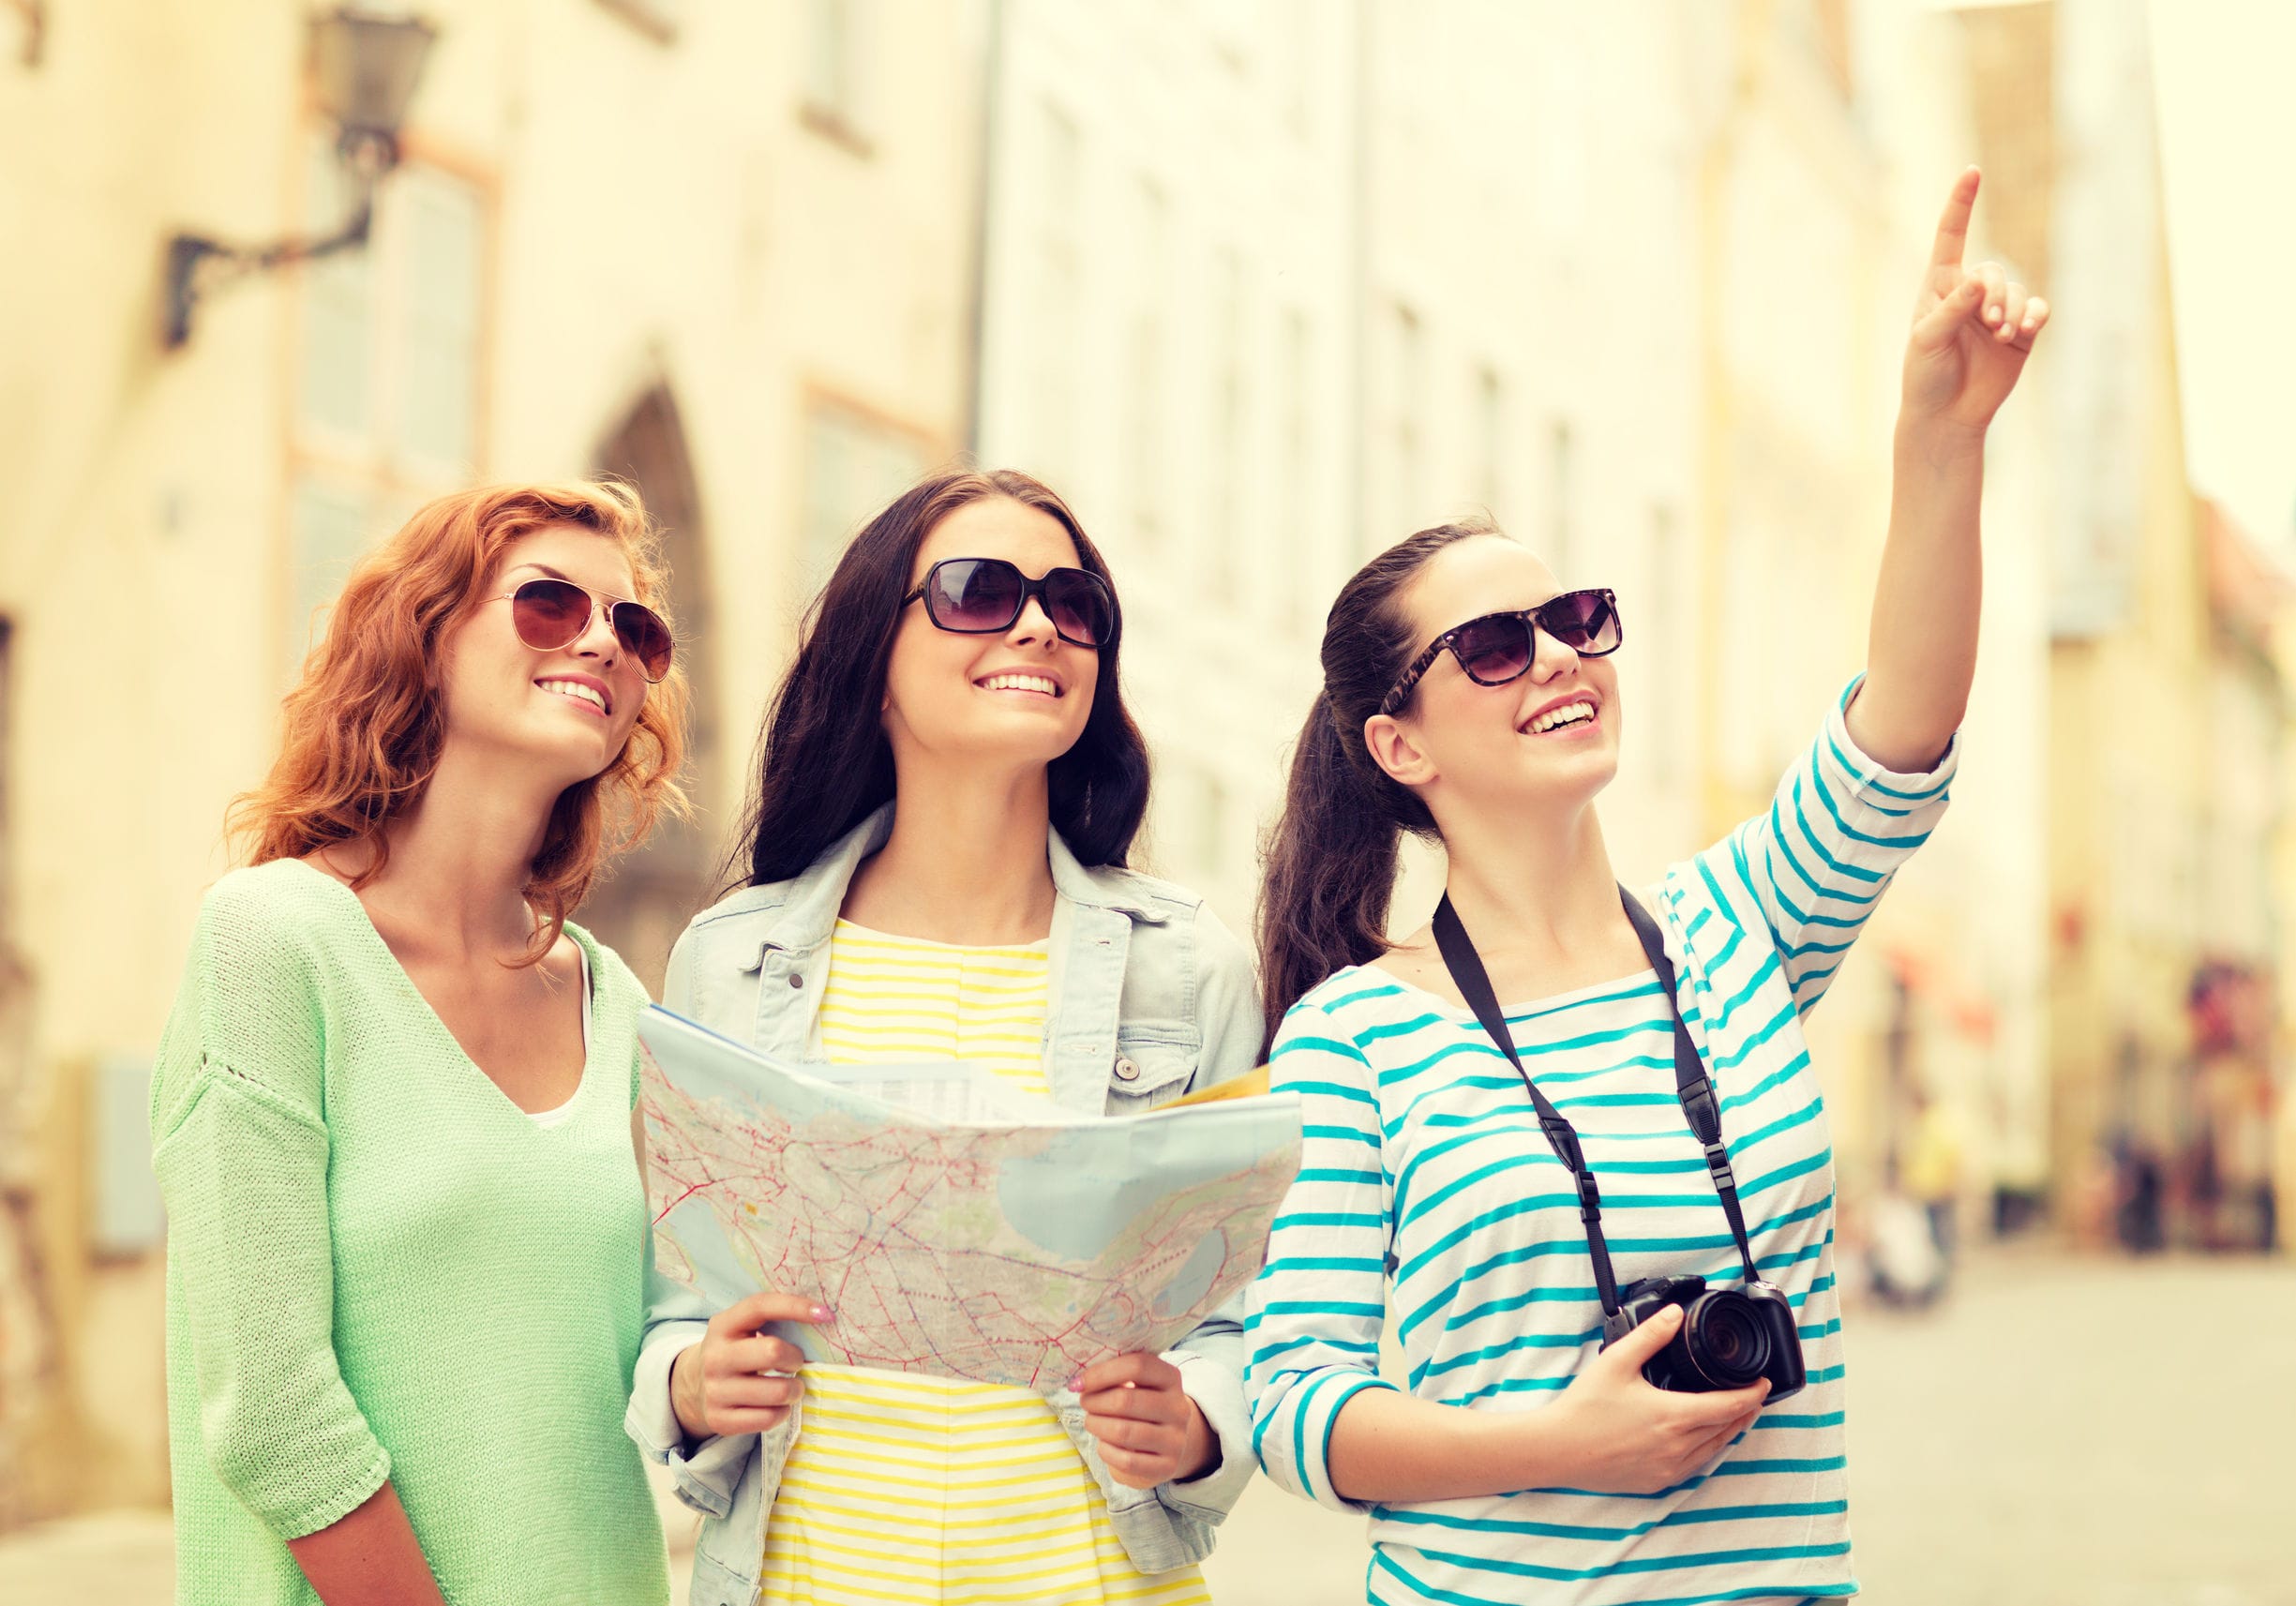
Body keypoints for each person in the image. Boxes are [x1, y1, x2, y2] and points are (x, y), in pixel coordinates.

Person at [1245, 169, 2046, 1602]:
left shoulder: (1739, 933)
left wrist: (1941, 439)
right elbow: (1295, 1405)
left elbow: (1902, 728)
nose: (1557, 655)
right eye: (1494, 644)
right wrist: (1559, 1439)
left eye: (1575, 619)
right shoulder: (1352, 1040)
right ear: (1398, 741)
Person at [627, 468, 1262, 1606]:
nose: (1037, 624)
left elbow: (1239, 1318)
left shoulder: (1189, 968)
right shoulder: (729, 961)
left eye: (1075, 605)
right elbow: (676, 1299)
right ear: (875, 656)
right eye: (979, 591)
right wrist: (689, 1382)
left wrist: (1199, 1425)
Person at [150, 483, 687, 1605]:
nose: (602, 639)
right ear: (423, 639)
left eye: (633, 627)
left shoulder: (620, 1003)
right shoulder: (274, 941)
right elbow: (270, 1409)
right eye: (547, 603)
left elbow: (651, 1352)